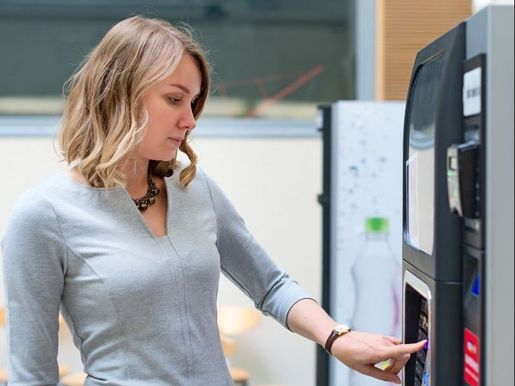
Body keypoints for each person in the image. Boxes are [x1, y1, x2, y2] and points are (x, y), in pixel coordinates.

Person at [1, 15, 425, 386]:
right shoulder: (43, 216)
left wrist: (337, 338)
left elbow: (271, 284)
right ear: (119, 93)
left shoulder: (192, 188)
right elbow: (32, 375)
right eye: (174, 99)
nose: (189, 120)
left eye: (193, 102)